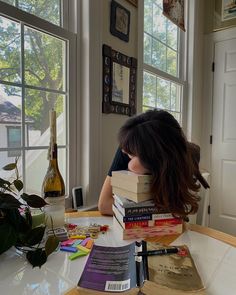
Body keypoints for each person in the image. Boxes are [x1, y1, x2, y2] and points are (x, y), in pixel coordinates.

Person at [98, 109, 209, 216]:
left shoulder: (184, 157)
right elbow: (104, 204)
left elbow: (177, 209)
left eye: (133, 155)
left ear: (155, 157)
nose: (124, 151)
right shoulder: (128, 145)